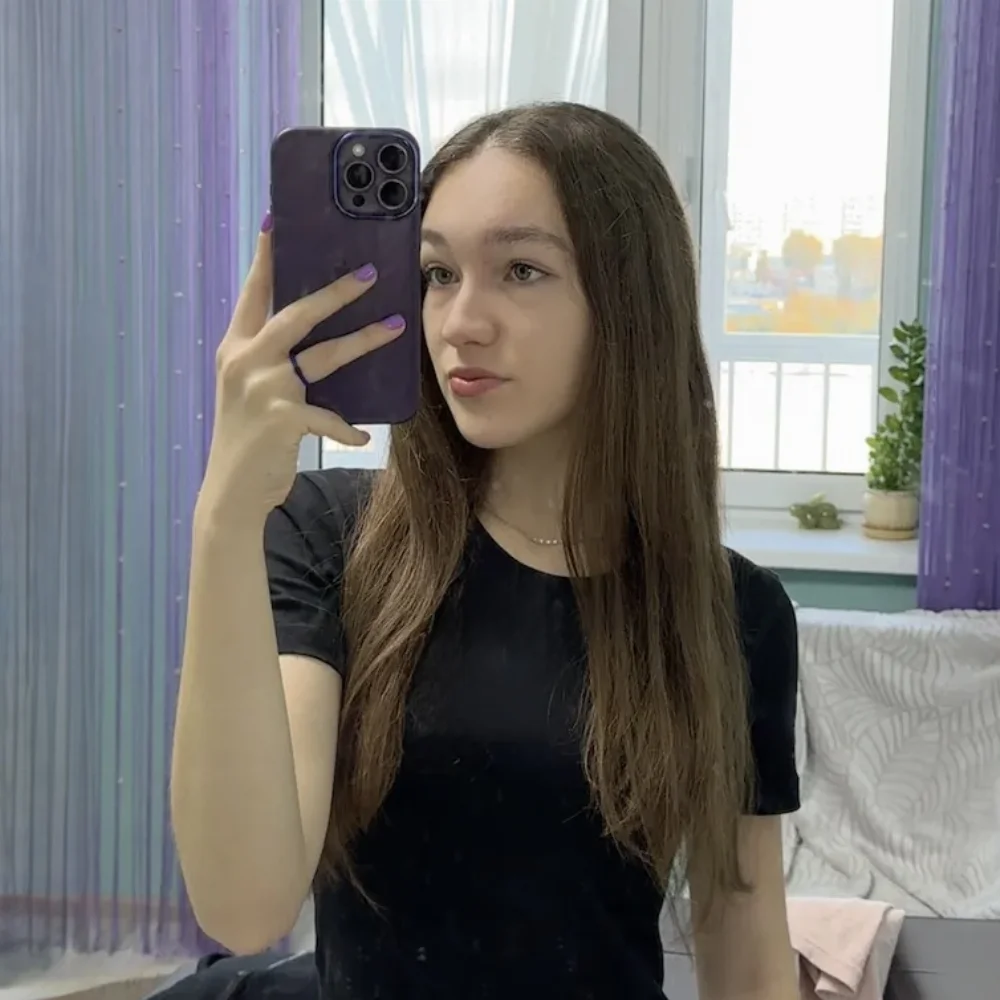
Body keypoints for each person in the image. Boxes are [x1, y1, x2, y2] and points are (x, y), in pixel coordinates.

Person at [170, 102, 801, 1000]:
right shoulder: (331, 536)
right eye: (437, 273)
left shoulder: (733, 612)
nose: (460, 321)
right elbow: (244, 906)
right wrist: (226, 518)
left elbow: (744, 937)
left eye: (521, 270)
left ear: (631, 304)